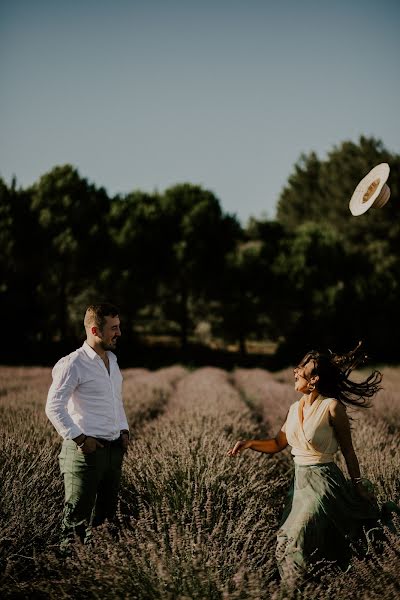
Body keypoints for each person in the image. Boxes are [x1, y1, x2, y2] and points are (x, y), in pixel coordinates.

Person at [228, 343, 398, 584]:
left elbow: (349, 452)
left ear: (314, 379)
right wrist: (248, 444)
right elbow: (278, 443)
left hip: (324, 483)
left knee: (298, 534)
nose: (295, 372)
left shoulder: (332, 407)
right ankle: (311, 585)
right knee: (291, 541)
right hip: (300, 485)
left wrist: (358, 485)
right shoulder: (293, 408)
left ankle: (297, 588)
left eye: (301, 369)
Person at [46, 302, 130, 552]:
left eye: (119, 326)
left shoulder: (112, 360)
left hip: (113, 451)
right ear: (95, 331)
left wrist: (124, 430)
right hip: (86, 453)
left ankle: (97, 575)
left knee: (105, 523)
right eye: (113, 328)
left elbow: (116, 400)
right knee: (75, 523)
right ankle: (68, 576)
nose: (119, 333)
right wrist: (81, 439)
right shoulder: (73, 363)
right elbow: (53, 407)